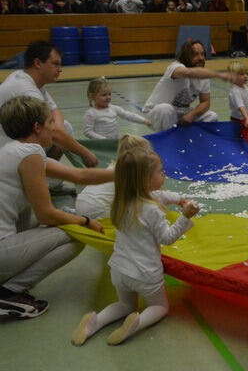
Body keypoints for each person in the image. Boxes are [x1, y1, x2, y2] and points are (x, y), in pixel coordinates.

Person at [71, 150, 200, 346]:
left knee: (124, 305)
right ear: (145, 180)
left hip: (119, 269)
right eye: (160, 171)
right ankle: (136, 324)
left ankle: (95, 322)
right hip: (145, 273)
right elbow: (168, 238)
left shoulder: (122, 202)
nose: (163, 174)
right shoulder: (152, 210)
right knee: (160, 306)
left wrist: (177, 198)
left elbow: (160, 195)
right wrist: (185, 217)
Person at [0, 97, 110, 318]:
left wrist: (126, 171)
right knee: (77, 233)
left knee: (48, 217)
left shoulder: (13, 150)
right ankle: (9, 291)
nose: (55, 127)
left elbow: (79, 175)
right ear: (37, 128)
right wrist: (86, 221)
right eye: (51, 121)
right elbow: (47, 214)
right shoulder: (29, 153)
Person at [0, 41, 98, 167]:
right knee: (49, 134)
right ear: (37, 63)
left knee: (63, 128)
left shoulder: (27, 78)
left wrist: (59, 131)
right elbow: (54, 130)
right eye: (55, 64)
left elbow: (55, 111)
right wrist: (86, 154)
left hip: (12, 142)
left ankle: (51, 182)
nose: (60, 70)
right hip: (6, 149)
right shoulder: (24, 88)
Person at [143, 41, 233, 131]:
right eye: (196, 54)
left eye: (202, 54)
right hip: (154, 113)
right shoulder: (175, 67)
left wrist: (192, 115)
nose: (200, 58)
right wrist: (219, 75)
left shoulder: (203, 77)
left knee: (211, 116)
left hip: (181, 113)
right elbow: (188, 72)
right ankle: (167, 141)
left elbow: (205, 102)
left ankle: (194, 142)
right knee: (166, 109)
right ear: (186, 56)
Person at [83, 77, 152, 139]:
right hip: (100, 147)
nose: (108, 97)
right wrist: (103, 140)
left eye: (109, 94)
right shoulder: (91, 113)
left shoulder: (114, 108)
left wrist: (144, 120)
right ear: (92, 96)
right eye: (104, 95)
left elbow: (128, 115)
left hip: (114, 143)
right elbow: (87, 132)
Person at [227, 61, 248, 127]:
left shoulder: (246, 88)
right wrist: (247, 117)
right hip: (237, 120)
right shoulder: (235, 91)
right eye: (242, 74)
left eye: (247, 74)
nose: (245, 76)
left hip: (244, 118)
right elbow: (240, 106)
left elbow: (247, 104)